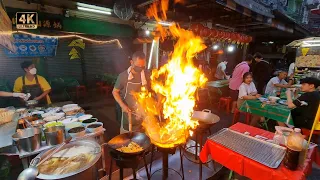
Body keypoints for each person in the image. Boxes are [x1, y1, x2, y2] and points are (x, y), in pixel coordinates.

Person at [112, 51, 150, 133]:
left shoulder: (147, 74)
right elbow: (115, 92)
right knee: (127, 141)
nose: (140, 68)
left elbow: (154, 89)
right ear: (131, 62)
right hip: (128, 115)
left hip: (144, 117)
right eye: (138, 66)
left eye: (142, 66)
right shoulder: (123, 76)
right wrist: (123, 106)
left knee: (144, 140)